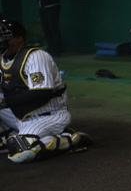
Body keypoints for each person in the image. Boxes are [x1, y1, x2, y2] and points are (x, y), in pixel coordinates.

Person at [0, 19, 90, 163]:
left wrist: (5, 101)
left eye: (4, 38)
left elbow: (40, 94)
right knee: (15, 143)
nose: (1, 41)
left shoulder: (35, 57)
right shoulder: (3, 59)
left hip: (46, 116)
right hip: (20, 114)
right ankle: (10, 138)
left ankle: (68, 138)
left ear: (19, 38)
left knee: (21, 152)